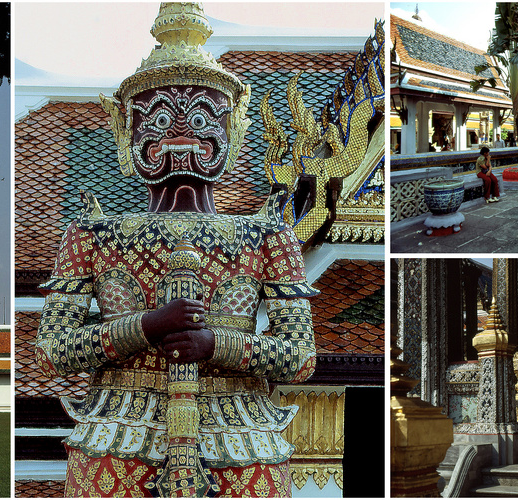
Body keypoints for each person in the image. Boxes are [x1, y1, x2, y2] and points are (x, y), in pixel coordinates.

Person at [32, 4, 319, 496]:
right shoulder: (93, 234)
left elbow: (300, 357)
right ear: (127, 131)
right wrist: (147, 326)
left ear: (235, 128)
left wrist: (217, 345)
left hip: (240, 441)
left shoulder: (268, 235)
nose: (181, 130)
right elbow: (53, 351)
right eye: (160, 116)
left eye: (205, 115)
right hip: (120, 440)